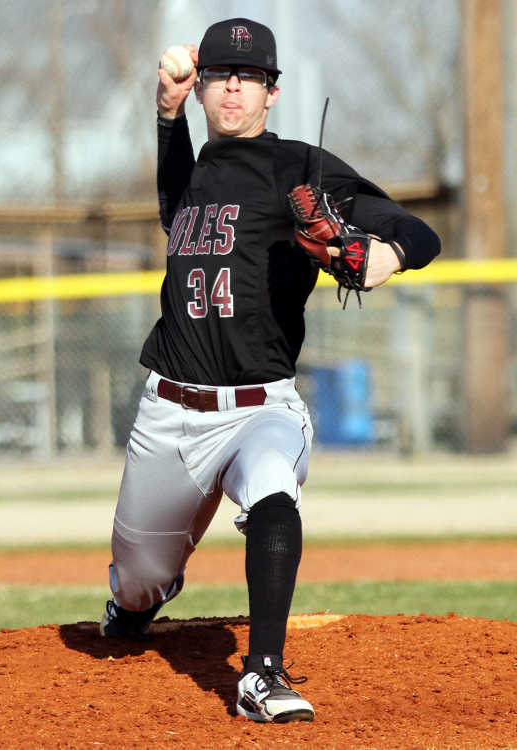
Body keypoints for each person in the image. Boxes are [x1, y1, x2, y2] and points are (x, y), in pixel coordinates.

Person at [100, 17, 441, 724]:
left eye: (250, 77)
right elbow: (172, 201)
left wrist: (387, 256)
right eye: (222, 74)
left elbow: (415, 230)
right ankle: (146, 596)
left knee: (272, 493)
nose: (234, 87)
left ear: (272, 93)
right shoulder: (196, 175)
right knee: (135, 589)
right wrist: (164, 110)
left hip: (261, 407)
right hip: (168, 413)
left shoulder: (299, 168)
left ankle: (262, 673)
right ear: (203, 89)